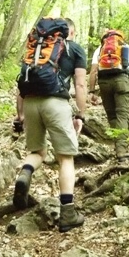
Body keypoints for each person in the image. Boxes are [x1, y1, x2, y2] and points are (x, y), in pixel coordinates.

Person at [13, 18, 87, 233]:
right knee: (65, 157)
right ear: (70, 31)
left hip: (30, 102)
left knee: (37, 151)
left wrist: (20, 114)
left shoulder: (36, 48)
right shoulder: (74, 49)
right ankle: (68, 213)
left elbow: (20, 85)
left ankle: (25, 174)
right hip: (56, 103)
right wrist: (80, 115)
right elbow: (80, 84)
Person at [88, 30, 129, 163]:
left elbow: (93, 72)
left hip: (104, 83)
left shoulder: (100, 50)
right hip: (122, 81)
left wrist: (92, 92)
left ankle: (119, 146)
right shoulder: (126, 47)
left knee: (112, 116)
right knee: (122, 115)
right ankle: (121, 152)